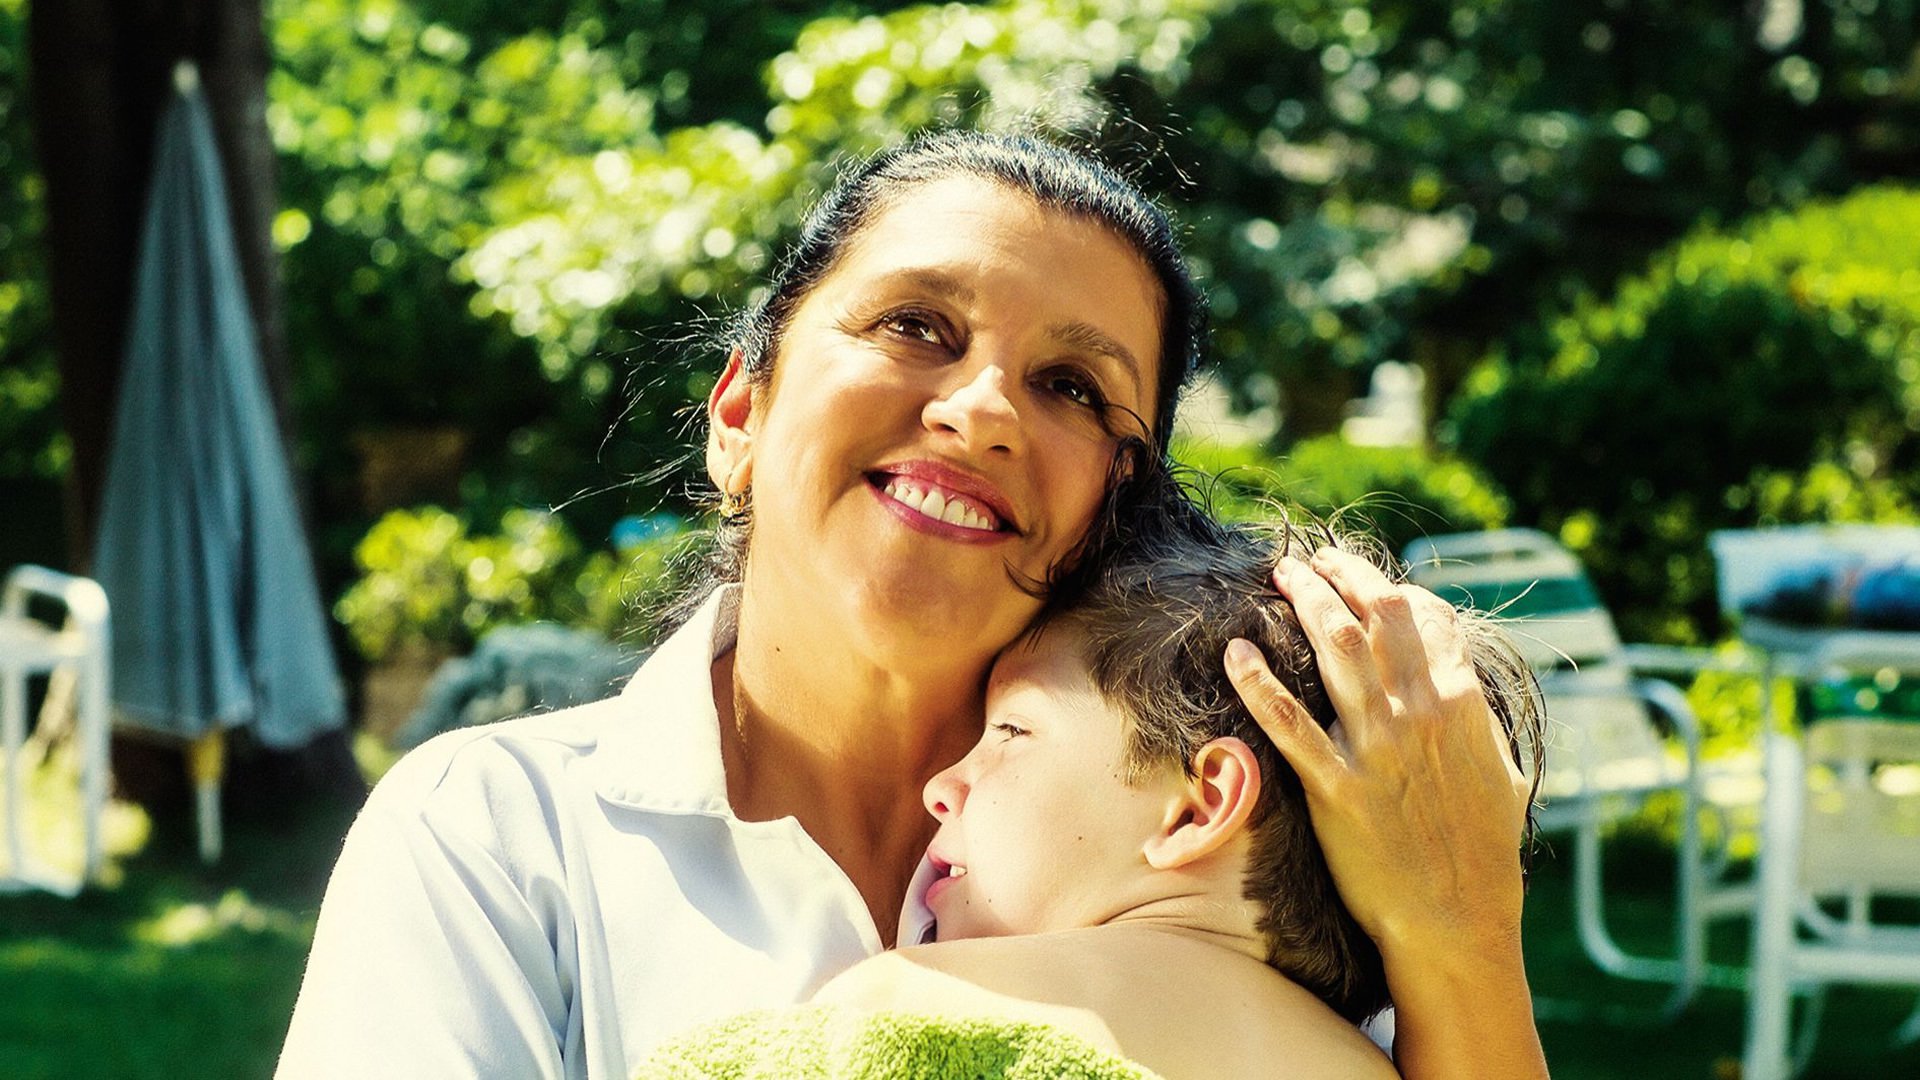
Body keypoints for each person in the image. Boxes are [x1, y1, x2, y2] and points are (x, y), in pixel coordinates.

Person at [278, 131, 1547, 1080]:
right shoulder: (497, 834)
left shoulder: (1279, 842)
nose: (985, 409)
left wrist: (1468, 951)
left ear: (1126, 497)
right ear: (740, 413)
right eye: (915, 324)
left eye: (1070, 385)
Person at [631, 500, 1544, 1079]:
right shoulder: (1400, 1067)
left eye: (1012, 733)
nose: (945, 786)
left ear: (1198, 804)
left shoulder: (917, 1005)